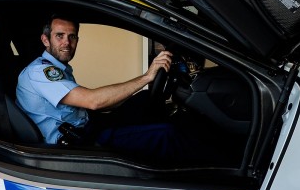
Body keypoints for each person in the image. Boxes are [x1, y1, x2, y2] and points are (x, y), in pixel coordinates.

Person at [15, 13, 191, 166]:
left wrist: (135, 94)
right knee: (166, 134)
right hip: (75, 144)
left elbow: (92, 104)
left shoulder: (58, 68)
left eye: (72, 37)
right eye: (59, 36)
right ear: (46, 40)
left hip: (88, 126)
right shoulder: (40, 72)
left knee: (143, 100)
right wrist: (146, 77)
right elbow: (93, 101)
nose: (67, 43)